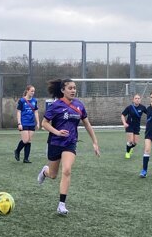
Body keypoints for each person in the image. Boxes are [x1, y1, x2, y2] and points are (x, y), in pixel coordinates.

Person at [37, 78, 100, 215]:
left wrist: (95, 142)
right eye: (70, 88)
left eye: (74, 88)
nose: (73, 90)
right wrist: (57, 132)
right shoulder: (55, 105)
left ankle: (61, 205)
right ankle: (45, 172)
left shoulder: (79, 105)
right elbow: (44, 123)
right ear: (62, 90)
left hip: (70, 143)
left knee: (66, 170)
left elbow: (87, 124)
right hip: (55, 143)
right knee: (53, 175)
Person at [14, 85, 41, 163]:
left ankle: (26, 159)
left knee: (29, 141)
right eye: (31, 91)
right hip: (24, 122)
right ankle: (17, 151)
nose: (33, 92)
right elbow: (18, 112)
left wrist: (38, 122)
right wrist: (19, 123)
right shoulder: (22, 101)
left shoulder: (34, 101)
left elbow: (36, 112)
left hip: (31, 123)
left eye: (34, 91)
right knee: (25, 140)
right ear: (27, 91)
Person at [121, 93, 147, 159]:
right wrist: (124, 123)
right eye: (136, 98)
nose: (137, 99)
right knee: (130, 141)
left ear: (140, 100)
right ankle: (127, 153)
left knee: (135, 143)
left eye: (138, 98)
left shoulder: (142, 107)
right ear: (133, 100)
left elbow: (149, 113)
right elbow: (123, 115)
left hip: (137, 126)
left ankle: (130, 148)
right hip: (129, 125)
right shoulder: (129, 107)